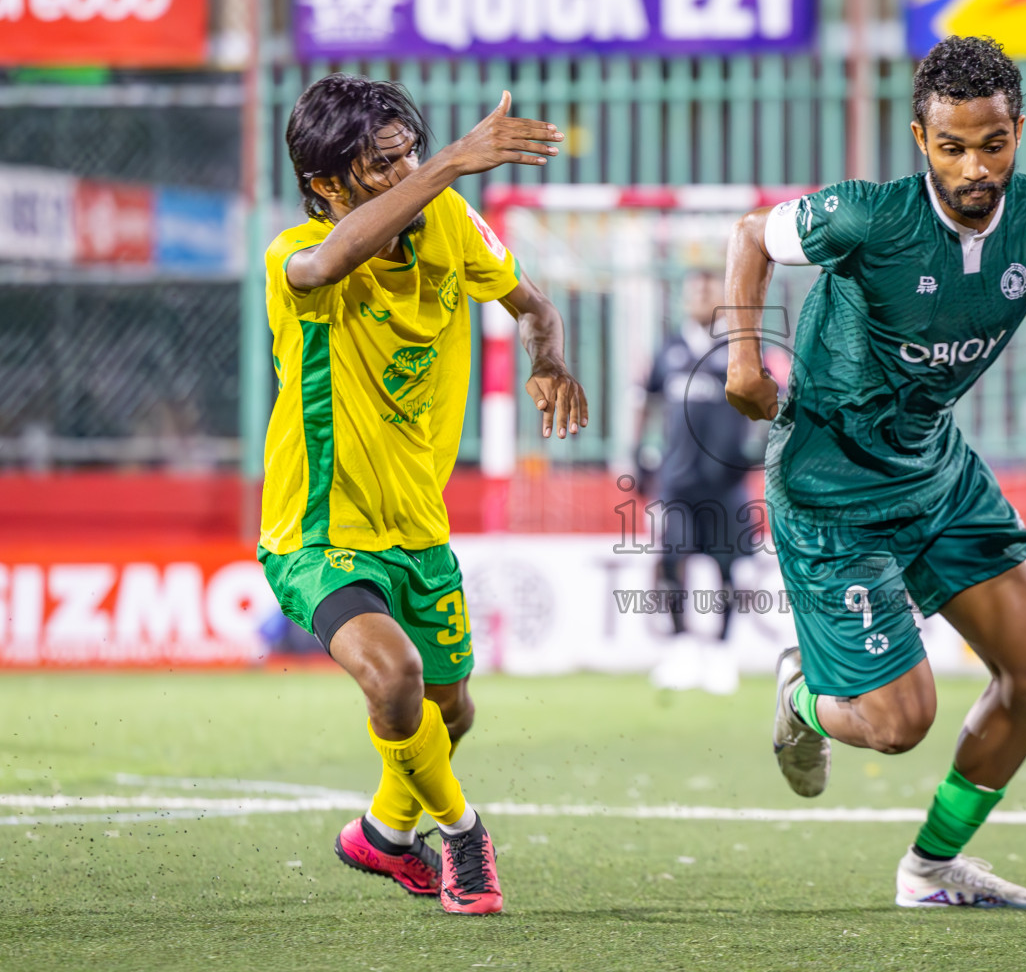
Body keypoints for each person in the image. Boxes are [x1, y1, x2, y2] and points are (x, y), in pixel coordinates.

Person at [721, 36, 1026, 908]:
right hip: (831, 491)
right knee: (899, 726)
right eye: (954, 146)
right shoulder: (868, 216)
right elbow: (750, 236)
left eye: (994, 143)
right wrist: (745, 358)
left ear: (1019, 131)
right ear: (920, 140)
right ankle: (803, 699)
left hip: (937, 474)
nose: (977, 166)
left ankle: (931, 871)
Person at [258, 74, 587, 916]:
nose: (408, 173)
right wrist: (444, 165)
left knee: (451, 710)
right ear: (328, 185)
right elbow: (329, 261)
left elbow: (533, 304)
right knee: (395, 677)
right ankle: (464, 833)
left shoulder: (446, 220)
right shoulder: (295, 252)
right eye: (384, 166)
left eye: (410, 153)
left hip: (419, 528)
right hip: (319, 529)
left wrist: (548, 355)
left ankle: (381, 834)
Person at [637, 271, 756, 694]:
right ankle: (682, 645)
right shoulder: (669, 349)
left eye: (709, 289)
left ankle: (722, 652)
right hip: (678, 479)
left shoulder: (741, 348)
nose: (701, 296)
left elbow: (769, 402)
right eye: (694, 289)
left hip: (725, 480)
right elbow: (647, 401)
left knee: (728, 567)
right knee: (673, 559)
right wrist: (638, 453)